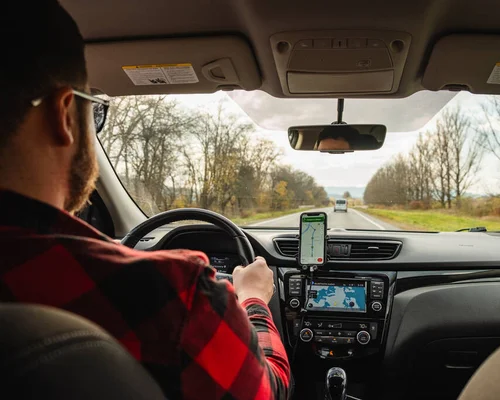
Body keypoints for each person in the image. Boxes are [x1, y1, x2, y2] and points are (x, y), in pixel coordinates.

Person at [0, 2, 290, 400]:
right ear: (64, 114)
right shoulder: (177, 299)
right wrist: (253, 299)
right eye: (95, 111)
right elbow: (268, 392)